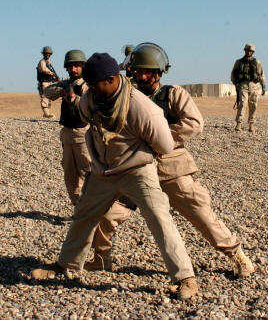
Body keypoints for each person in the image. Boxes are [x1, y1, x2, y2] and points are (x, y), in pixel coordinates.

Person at [31, 52, 199, 300]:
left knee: (159, 218)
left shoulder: (142, 107)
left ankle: (185, 278)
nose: (92, 91)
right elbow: (85, 117)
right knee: (84, 216)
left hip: (137, 171)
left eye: (96, 85)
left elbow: (164, 145)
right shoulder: (91, 97)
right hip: (103, 171)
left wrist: (133, 151)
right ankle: (66, 265)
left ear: (112, 79)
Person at [88, 42, 255, 281]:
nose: (143, 76)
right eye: (138, 72)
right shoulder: (124, 97)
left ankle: (237, 255)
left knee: (201, 214)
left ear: (159, 72)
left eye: (148, 72)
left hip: (171, 168)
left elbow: (194, 123)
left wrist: (159, 137)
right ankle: (101, 259)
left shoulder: (173, 94)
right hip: (134, 170)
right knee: (107, 215)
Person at [44, 50, 90, 206]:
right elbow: (48, 92)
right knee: (70, 176)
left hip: (83, 134)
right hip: (67, 134)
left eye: (77, 66)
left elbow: (90, 105)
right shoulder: (66, 83)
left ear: (83, 66)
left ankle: (96, 210)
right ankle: (79, 208)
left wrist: (74, 98)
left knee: (90, 174)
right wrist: (62, 91)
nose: (74, 69)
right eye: (71, 66)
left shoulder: (87, 85)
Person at [231, 43, 266, 132]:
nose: (249, 52)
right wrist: (236, 84)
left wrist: (263, 86)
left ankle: (251, 124)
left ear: (252, 52)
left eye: (251, 51)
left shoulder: (257, 62)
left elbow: (261, 74)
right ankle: (239, 123)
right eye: (247, 50)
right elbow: (233, 75)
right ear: (245, 50)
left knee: (253, 105)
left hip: (254, 86)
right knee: (242, 104)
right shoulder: (239, 62)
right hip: (243, 85)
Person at [36, 46, 60, 118]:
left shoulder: (48, 63)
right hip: (44, 82)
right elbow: (44, 69)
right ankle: (46, 114)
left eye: (49, 54)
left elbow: (50, 73)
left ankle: (47, 114)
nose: (48, 55)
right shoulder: (42, 62)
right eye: (46, 54)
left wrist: (55, 78)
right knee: (45, 97)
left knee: (49, 97)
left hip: (49, 82)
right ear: (43, 54)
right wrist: (52, 74)